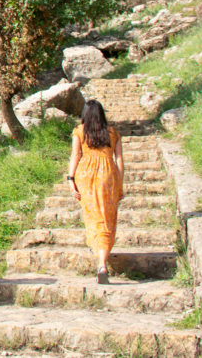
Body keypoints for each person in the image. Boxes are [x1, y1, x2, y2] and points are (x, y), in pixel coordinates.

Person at [66, 99, 124, 284]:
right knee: (107, 218)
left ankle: (97, 250)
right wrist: (120, 184)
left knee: (93, 217)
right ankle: (102, 263)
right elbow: (120, 160)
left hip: (86, 175)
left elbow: (76, 156)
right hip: (108, 176)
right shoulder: (113, 133)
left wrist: (70, 180)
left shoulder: (79, 132)